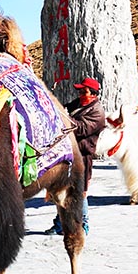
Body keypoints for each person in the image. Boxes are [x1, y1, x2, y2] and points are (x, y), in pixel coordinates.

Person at [47, 77, 106, 235]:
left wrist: (64, 117)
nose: (80, 93)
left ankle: (83, 224)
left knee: (79, 191)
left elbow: (80, 129)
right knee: (61, 189)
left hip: (82, 156)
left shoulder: (97, 113)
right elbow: (63, 108)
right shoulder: (79, 103)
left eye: (84, 91)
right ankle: (60, 223)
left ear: (93, 93)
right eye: (79, 91)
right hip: (68, 153)